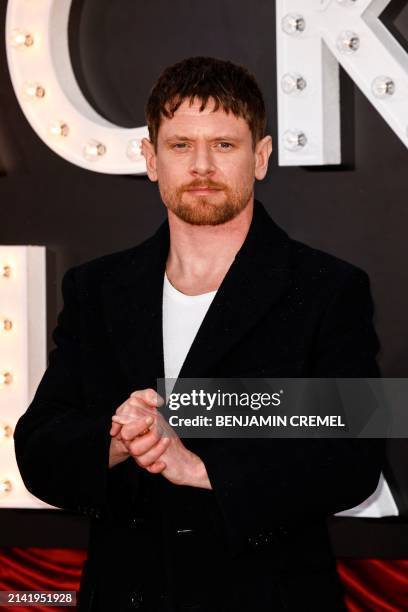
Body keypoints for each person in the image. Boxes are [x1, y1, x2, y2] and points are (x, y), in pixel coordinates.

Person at [14, 57, 384, 612]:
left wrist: (202, 467)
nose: (202, 165)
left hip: (269, 598)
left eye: (225, 145)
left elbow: (354, 462)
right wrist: (119, 439)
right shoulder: (97, 288)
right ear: (150, 158)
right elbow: (39, 447)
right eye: (181, 145)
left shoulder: (330, 288)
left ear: (260, 158)